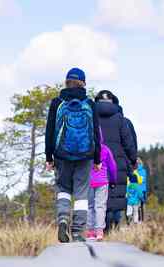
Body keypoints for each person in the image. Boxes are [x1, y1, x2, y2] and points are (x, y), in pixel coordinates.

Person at [45, 68, 101, 243]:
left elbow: (49, 132)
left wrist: (49, 157)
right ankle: (77, 232)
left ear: (66, 82)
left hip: (62, 154)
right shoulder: (90, 104)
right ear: (83, 83)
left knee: (63, 189)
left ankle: (62, 218)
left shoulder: (57, 102)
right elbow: (96, 134)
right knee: (81, 193)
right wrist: (97, 159)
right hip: (85, 155)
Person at [95, 90, 137, 231]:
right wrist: (132, 161)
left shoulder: (91, 118)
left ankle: (100, 229)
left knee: (99, 199)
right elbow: (129, 143)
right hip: (118, 164)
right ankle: (114, 230)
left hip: (96, 164)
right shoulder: (121, 120)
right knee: (116, 196)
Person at [87, 129, 117, 241]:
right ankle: (99, 232)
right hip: (102, 181)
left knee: (89, 206)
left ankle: (90, 232)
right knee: (100, 206)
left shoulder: (86, 149)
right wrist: (113, 180)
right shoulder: (105, 149)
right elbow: (112, 166)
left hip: (88, 181)